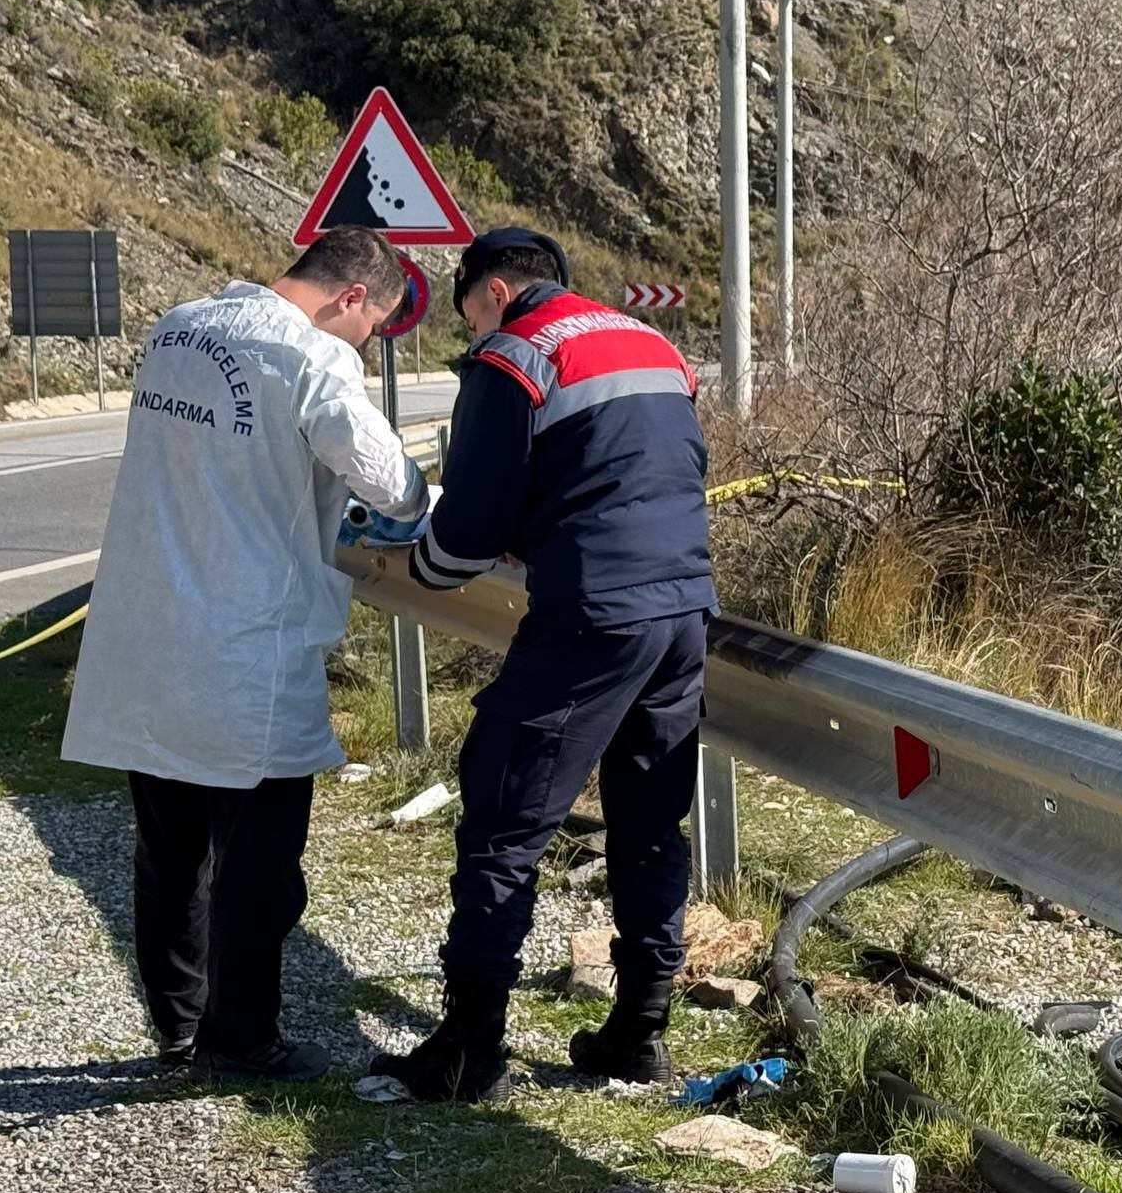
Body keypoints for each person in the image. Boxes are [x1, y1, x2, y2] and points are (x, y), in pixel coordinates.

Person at [62, 227, 428, 1082]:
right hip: (244, 647)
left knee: (170, 853)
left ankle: (179, 1028)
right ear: (349, 298)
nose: (365, 344)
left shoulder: (180, 326)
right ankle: (243, 1037)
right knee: (259, 864)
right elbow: (384, 477)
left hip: (146, 637)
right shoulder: (311, 359)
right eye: (371, 325)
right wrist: (414, 507)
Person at [371, 227, 713, 1103]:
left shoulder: (515, 358)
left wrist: (424, 563)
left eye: (468, 316)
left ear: (489, 291)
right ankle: (640, 1032)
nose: (473, 334)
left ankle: (469, 1049)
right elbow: (650, 470)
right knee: (647, 824)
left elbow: (473, 520)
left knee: (505, 818)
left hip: (591, 617)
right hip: (682, 611)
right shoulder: (651, 342)